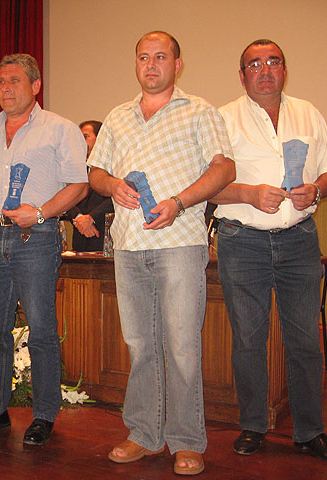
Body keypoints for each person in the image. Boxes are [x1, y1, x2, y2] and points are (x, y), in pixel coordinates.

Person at [88, 31, 235, 475]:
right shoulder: (117, 116)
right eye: (143, 57)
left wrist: (181, 202)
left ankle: (187, 440)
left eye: (160, 57)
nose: (151, 65)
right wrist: (111, 185)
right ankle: (144, 434)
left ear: (178, 63)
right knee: (140, 345)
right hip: (129, 246)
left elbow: (224, 167)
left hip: (179, 244)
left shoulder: (199, 110)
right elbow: (95, 171)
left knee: (183, 347)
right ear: (136, 64)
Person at [212, 39, 327, 464]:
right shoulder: (222, 118)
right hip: (242, 240)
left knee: (304, 340)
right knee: (249, 339)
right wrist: (248, 193)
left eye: (273, 62)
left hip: (299, 239)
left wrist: (317, 189)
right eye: (254, 64)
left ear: (285, 69)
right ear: (241, 74)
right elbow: (206, 184)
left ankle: (310, 432)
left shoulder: (308, 113)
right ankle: (252, 425)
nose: (264, 69)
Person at [0, 53, 88, 446]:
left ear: (35, 86)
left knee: (42, 331)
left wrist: (41, 212)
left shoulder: (60, 129)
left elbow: (78, 185)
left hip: (37, 236)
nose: (5, 88)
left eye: (14, 80)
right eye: (0, 81)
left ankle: (45, 414)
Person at [64, 121, 114, 252]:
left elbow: (116, 197)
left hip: (105, 234)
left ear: (100, 138)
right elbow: (64, 197)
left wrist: (91, 217)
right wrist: (79, 218)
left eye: (85, 137)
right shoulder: (74, 168)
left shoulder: (114, 165)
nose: (81, 142)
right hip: (80, 235)